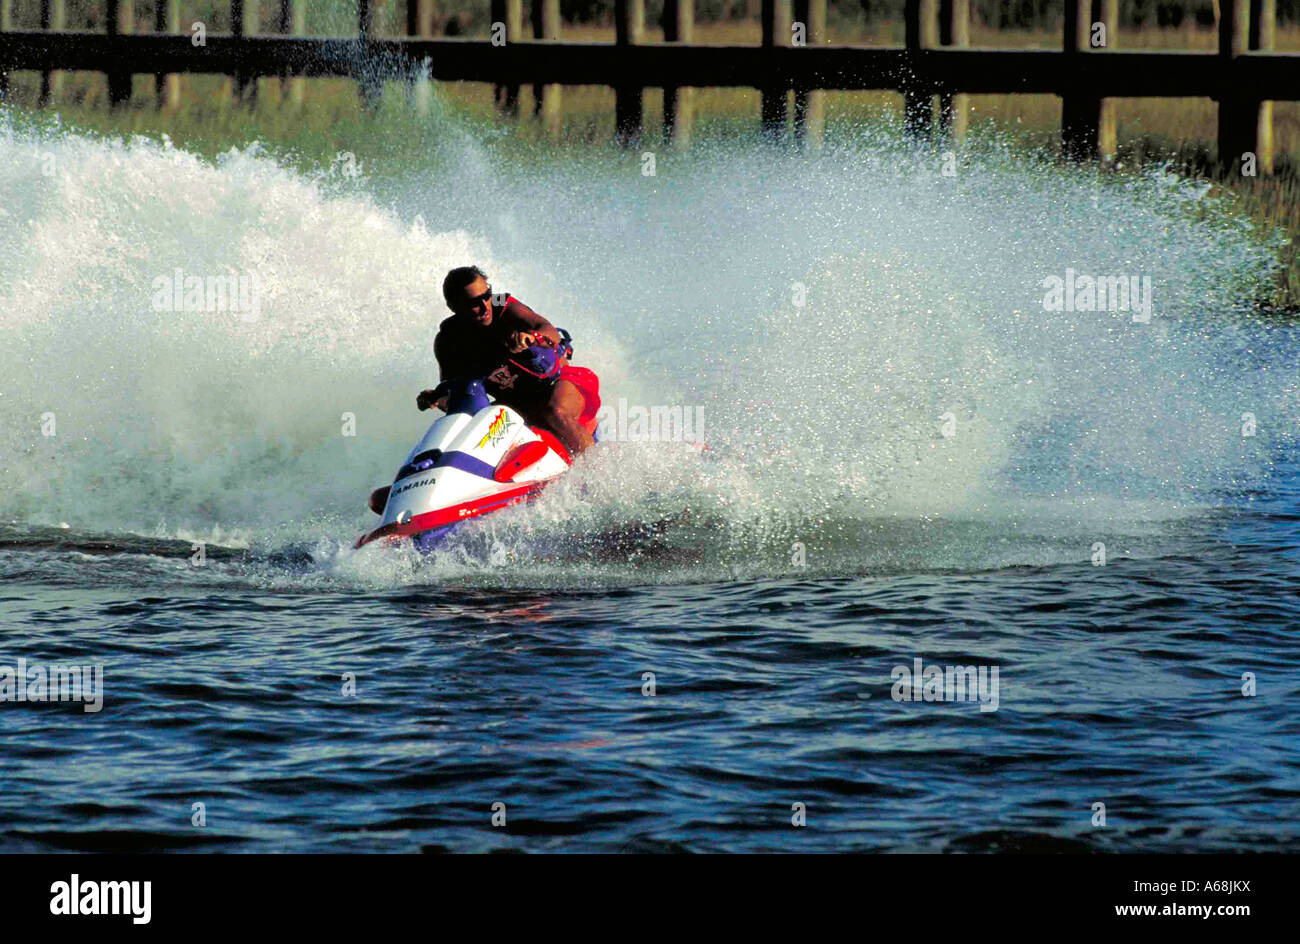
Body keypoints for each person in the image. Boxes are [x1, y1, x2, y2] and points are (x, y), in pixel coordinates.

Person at [417, 266, 601, 458]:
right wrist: (437, 398)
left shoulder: (503, 305)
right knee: (483, 433)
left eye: (486, 295)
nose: (484, 307)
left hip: (560, 385)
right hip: (517, 404)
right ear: (454, 307)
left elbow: (549, 331)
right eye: (473, 303)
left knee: (555, 412)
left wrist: (532, 337)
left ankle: (599, 473)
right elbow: (456, 399)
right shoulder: (448, 341)